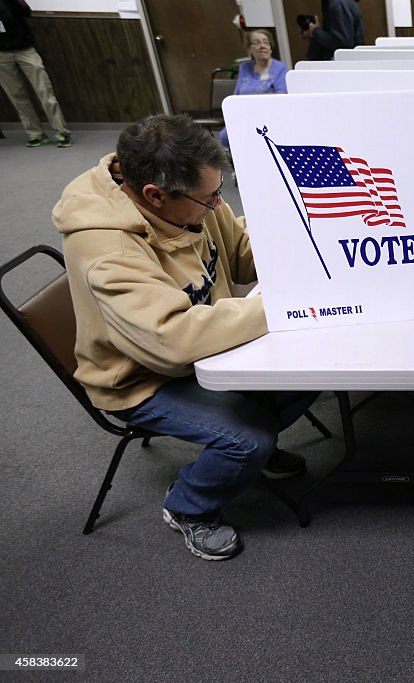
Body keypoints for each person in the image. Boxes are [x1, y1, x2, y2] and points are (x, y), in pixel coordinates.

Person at [53, 114, 319, 561]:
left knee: (312, 369)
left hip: (201, 348)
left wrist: (310, 244)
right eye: (210, 197)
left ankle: (252, 448)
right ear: (155, 195)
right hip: (140, 378)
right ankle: (189, 507)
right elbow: (172, 339)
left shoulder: (190, 200)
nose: (220, 205)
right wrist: (282, 308)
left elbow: (240, 255)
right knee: (247, 440)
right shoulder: (108, 250)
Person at [0, 0, 71, 147]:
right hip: (1, 54)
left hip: (25, 49)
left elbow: (26, 12)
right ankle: (35, 134)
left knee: (44, 90)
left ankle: (61, 131)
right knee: (16, 95)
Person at [219, 29, 288, 149]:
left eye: (266, 42)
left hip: (268, 115)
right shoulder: (244, 68)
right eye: (256, 42)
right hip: (244, 115)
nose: (262, 46)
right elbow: (236, 95)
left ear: (271, 48)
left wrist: (252, 102)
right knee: (225, 136)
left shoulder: (279, 68)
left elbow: (281, 96)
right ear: (249, 49)